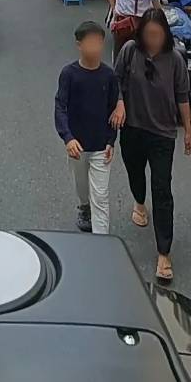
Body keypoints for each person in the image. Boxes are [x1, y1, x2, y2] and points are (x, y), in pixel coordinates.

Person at [115, 9, 191, 285]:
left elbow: (182, 95)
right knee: (135, 173)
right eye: (149, 35)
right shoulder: (129, 51)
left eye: (158, 35)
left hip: (162, 134)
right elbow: (117, 82)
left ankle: (164, 252)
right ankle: (138, 201)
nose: (153, 40)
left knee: (162, 189)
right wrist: (120, 103)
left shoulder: (174, 60)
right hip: (133, 128)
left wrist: (188, 131)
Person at [54, 21, 122, 235]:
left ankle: (100, 243)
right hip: (78, 147)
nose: (95, 48)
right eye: (90, 43)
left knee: (100, 196)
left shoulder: (109, 76)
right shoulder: (69, 74)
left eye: (99, 43)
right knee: (82, 187)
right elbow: (60, 107)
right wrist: (68, 137)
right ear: (79, 45)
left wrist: (112, 140)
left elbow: (114, 112)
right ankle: (84, 207)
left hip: (102, 147)